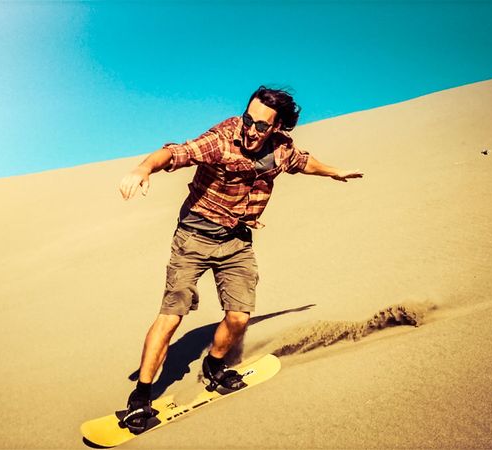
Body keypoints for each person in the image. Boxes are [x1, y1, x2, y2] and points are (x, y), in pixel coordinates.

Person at [117, 86, 363, 433]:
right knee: (172, 316)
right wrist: (143, 169)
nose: (250, 129)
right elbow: (175, 153)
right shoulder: (221, 140)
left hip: (237, 241)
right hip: (194, 239)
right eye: (248, 119)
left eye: (261, 126)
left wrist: (335, 171)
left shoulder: (281, 150)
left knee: (239, 316)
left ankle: (214, 366)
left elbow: (304, 162)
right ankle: (140, 398)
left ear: (276, 129)